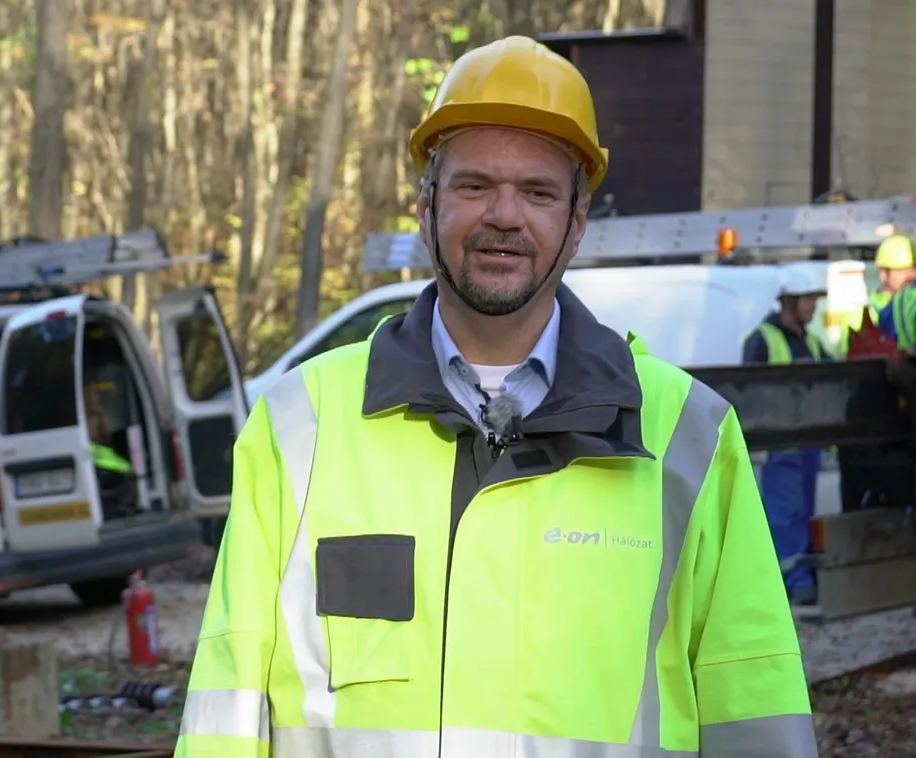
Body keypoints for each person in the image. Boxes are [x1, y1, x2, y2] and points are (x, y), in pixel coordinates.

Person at [175, 35, 815, 758]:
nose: (504, 215)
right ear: (426, 207)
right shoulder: (298, 428)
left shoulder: (687, 437)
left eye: (538, 192)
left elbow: (752, 709)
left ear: (575, 224)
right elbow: (225, 709)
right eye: (474, 185)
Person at [741, 266, 830, 605]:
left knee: (804, 514)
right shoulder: (763, 339)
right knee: (784, 516)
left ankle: (802, 574)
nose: (813, 306)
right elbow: (746, 392)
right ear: (790, 301)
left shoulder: (812, 341)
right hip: (779, 449)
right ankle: (793, 581)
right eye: (808, 299)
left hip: (807, 447)